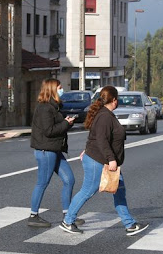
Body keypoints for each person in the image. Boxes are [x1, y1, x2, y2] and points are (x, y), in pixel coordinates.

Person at [60, 85, 149, 236]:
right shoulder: (105, 116)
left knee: (119, 191)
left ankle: (130, 224)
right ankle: (68, 221)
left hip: (103, 159)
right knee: (87, 191)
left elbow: (95, 137)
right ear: (114, 100)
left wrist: (88, 149)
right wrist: (111, 159)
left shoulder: (105, 114)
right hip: (99, 161)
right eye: (118, 100)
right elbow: (101, 139)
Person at [27, 78, 85, 228]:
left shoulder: (54, 106)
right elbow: (49, 131)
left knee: (69, 180)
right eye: (60, 87)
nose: (62, 90)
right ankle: (33, 215)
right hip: (46, 151)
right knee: (42, 183)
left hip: (55, 149)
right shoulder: (45, 108)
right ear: (52, 89)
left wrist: (66, 122)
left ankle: (68, 215)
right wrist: (66, 123)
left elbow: (55, 127)